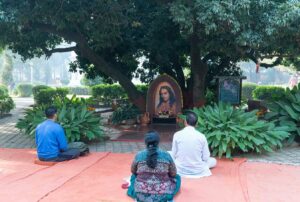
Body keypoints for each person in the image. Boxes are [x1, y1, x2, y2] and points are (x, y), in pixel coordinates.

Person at [127, 131, 181, 202]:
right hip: (163, 195)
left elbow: (133, 171)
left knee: (133, 176)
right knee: (177, 177)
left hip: (141, 195)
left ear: (146, 142)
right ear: (158, 142)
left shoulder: (139, 155)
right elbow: (173, 173)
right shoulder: (166, 155)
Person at [171, 111, 217, 178]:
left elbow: (174, 154)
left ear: (185, 122)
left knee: (169, 153)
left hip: (180, 169)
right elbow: (206, 157)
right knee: (213, 161)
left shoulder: (177, 134)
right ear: (197, 124)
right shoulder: (201, 136)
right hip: (198, 169)